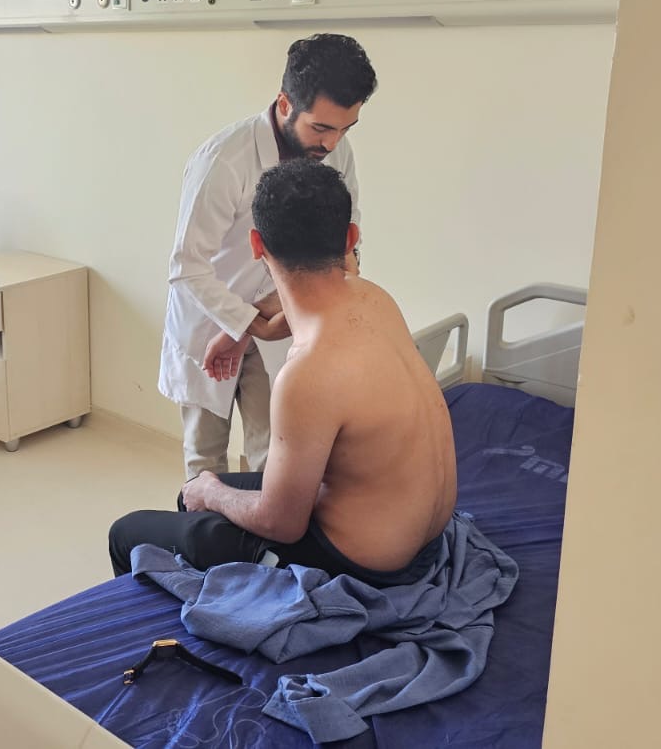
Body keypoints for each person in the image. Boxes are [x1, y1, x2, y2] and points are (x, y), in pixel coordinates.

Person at [112, 160, 456, 585]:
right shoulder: (374, 298)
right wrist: (241, 329)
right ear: (351, 238)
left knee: (131, 530)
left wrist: (213, 493)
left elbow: (283, 524)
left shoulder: (306, 375)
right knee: (193, 497)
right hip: (422, 536)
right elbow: (300, 299)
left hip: (365, 564)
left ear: (257, 245)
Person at [159, 33, 376, 479]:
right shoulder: (223, 161)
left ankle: (261, 527)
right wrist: (240, 325)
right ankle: (203, 526)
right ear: (284, 103)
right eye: (321, 128)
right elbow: (187, 268)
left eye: (345, 129)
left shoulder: (337, 154)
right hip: (210, 319)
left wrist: (254, 326)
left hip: (280, 321)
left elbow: (343, 245)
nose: (332, 143)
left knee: (275, 457)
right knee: (205, 460)